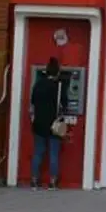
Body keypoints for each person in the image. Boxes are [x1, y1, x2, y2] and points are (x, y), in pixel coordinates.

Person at [29, 58, 67, 190]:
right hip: (54, 124)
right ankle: (52, 182)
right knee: (53, 153)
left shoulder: (38, 84)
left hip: (39, 123)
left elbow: (33, 103)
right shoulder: (59, 86)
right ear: (58, 72)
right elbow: (64, 105)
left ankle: (34, 181)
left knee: (38, 152)